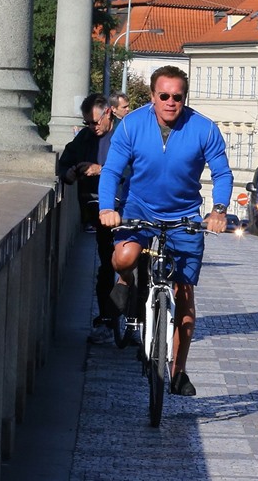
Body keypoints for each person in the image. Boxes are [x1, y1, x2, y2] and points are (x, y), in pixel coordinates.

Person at [98, 65, 233, 396]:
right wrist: (107, 208)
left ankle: (178, 371)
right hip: (138, 208)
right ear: (153, 97)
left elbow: (222, 173)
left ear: (184, 98)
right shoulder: (131, 125)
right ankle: (127, 282)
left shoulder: (203, 129)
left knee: (184, 293)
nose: (171, 102)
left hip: (184, 215)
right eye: (164, 96)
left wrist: (218, 210)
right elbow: (112, 170)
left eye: (178, 96)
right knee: (124, 257)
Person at [58, 93, 121, 344]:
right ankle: (106, 319)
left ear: (108, 113)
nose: (92, 127)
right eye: (87, 123)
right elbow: (64, 164)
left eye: (95, 122)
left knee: (132, 265)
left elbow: (135, 168)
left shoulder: (123, 135)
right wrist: (70, 173)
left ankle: (136, 318)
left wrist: (101, 169)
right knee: (107, 264)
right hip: (97, 210)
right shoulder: (85, 138)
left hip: (125, 206)